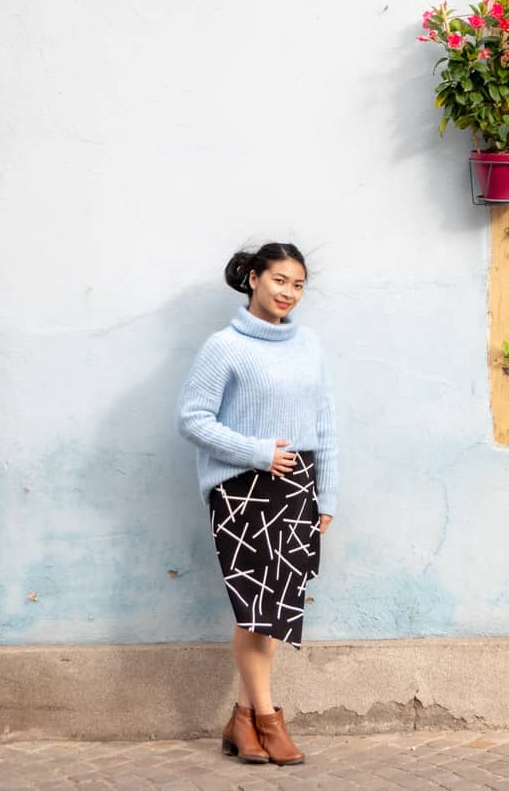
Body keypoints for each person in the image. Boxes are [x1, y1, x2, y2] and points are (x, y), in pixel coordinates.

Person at [177, 243, 338, 766]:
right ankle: (269, 721)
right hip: (241, 490)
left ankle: (241, 720)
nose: (288, 293)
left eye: (297, 285)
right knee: (254, 609)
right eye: (279, 281)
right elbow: (193, 419)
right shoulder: (223, 347)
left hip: (298, 489)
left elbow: (325, 427)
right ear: (252, 278)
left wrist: (326, 494)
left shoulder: (309, 345)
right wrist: (258, 451)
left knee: (272, 612)